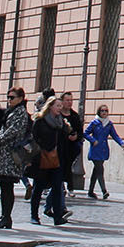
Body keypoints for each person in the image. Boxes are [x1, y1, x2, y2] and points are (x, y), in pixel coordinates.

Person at [0, 87, 33, 229]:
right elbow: (3, 127)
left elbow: (14, 130)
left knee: (7, 185)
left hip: (12, 154)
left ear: (20, 98)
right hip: (4, 153)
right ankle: (4, 216)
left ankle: (6, 217)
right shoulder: (11, 111)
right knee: (5, 186)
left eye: (12, 97)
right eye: (8, 97)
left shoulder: (21, 113)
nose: (9, 100)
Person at [30, 94, 73, 225]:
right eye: (57, 105)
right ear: (50, 106)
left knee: (56, 187)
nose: (60, 108)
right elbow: (34, 138)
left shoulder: (61, 122)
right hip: (42, 158)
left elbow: (64, 141)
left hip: (57, 160)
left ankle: (58, 217)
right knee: (38, 188)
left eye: (61, 105)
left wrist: (68, 129)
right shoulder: (40, 120)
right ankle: (34, 216)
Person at [85, 105, 118, 199]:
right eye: (102, 110)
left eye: (106, 111)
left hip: (103, 150)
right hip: (95, 150)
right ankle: (104, 191)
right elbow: (86, 133)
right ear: (99, 112)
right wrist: (93, 140)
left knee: (96, 171)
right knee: (100, 170)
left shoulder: (109, 124)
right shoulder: (94, 123)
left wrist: (121, 143)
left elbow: (114, 135)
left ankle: (90, 191)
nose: (104, 112)